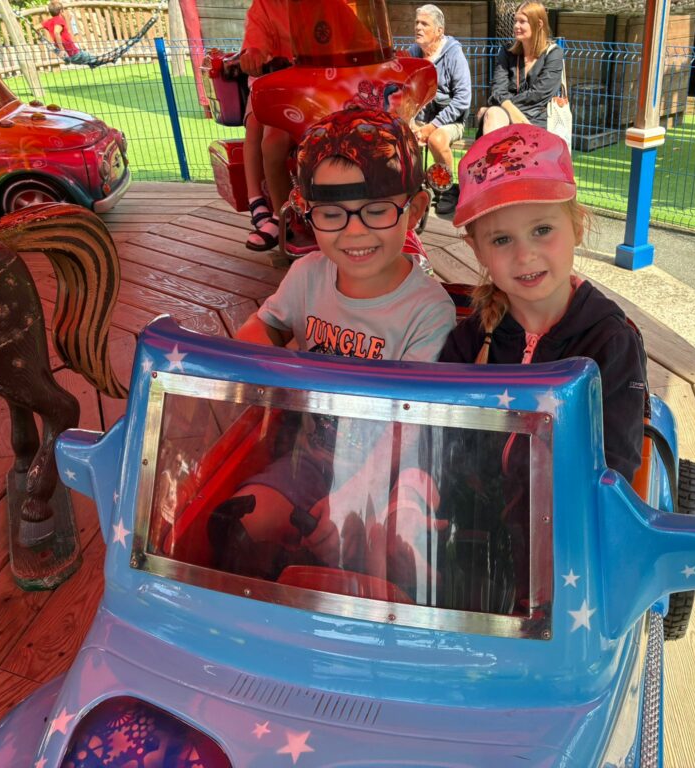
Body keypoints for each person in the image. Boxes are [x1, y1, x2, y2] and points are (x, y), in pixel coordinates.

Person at [217, 108, 457, 583]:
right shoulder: (307, 275)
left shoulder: (430, 310)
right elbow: (258, 331)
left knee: (390, 558)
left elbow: (410, 426)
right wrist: (270, 362)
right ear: (307, 213)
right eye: (332, 214)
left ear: (414, 210)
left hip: (391, 473)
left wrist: (354, 494)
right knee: (237, 529)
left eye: (377, 210)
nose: (354, 231)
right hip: (309, 461)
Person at [439, 124, 647, 483]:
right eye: (501, 239)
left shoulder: (610, 342)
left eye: (542, 230)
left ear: (577, 227)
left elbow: (613, 472)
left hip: (569, 513)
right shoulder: (469, 339)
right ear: (477, 250)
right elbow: (440, 444)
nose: (525, 255)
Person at [239, 0, 294, 251]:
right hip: (278, 83)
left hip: (324, 83)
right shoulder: (265, 5)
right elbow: (256, 39)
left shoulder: (327, 5)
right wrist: (254, 53)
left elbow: (352, 32)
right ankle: (277, 211)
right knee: (268, 137)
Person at [407, 4, 471, 216]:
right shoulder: (413, 54)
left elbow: (463, 100)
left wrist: (432, 126)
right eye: (417, 22)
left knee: (436, 139)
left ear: (439, 31)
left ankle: (447, 190)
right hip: (420, 119)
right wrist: (411, 122)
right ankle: (411, 187)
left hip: (451, 120)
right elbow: (405, 92)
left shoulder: (454, 54)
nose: (418, 27)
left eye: (424, 24)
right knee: (399, 134)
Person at [476, 1, 562, 135]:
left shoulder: (553, 54)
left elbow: (538, 95)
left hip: (536, 119)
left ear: (539, 24)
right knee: (494, 114)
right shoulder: (507, 51)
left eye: (522, 21)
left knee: (491, 111)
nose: (516, 26)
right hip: (504, 115)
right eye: (515, 21)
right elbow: (497, 90)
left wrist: (504, 103)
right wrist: (506, 106)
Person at [41, 1, 96, 67]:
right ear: (61, 11)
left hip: (70, 55)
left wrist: (48, 19)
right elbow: (56, 32)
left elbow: (36, 27)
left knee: (93, 61)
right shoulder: (59, 20)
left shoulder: (48, 22)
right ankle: (106, 59)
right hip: (73, 53)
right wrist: (62, 50)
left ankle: (101, 61)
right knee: (96, 59)